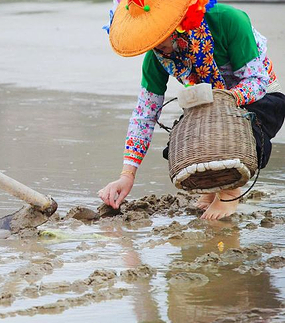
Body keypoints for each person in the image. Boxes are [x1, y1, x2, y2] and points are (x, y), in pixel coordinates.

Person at [98, 0, 284, 220]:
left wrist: (222, 101)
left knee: (238, 129)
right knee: (179, 144)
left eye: (158, 36)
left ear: (176, 23)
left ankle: (229, 191)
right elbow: (144, 116)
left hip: (260, 100)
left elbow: (256, 81)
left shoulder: (229, 20)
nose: (156, 47)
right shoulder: (157, 56)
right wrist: (126, 175)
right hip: (207, 106)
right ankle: (212, 187)